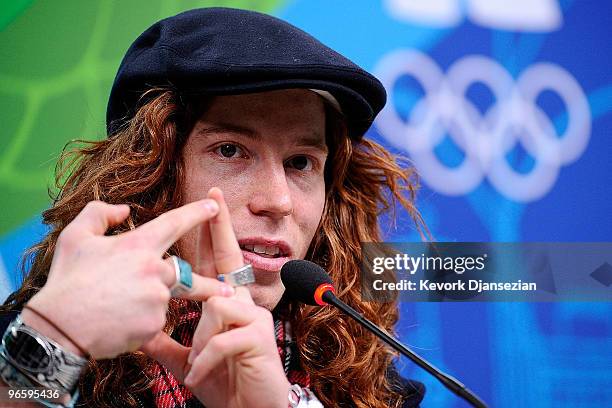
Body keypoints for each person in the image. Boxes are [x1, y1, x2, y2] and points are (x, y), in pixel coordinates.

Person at [0, 7, 425, 408]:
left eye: (300, 163)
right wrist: (53, 341)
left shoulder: (377, 392)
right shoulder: (29, 342)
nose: (278, 202)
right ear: (149, 174)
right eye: (230, 151)